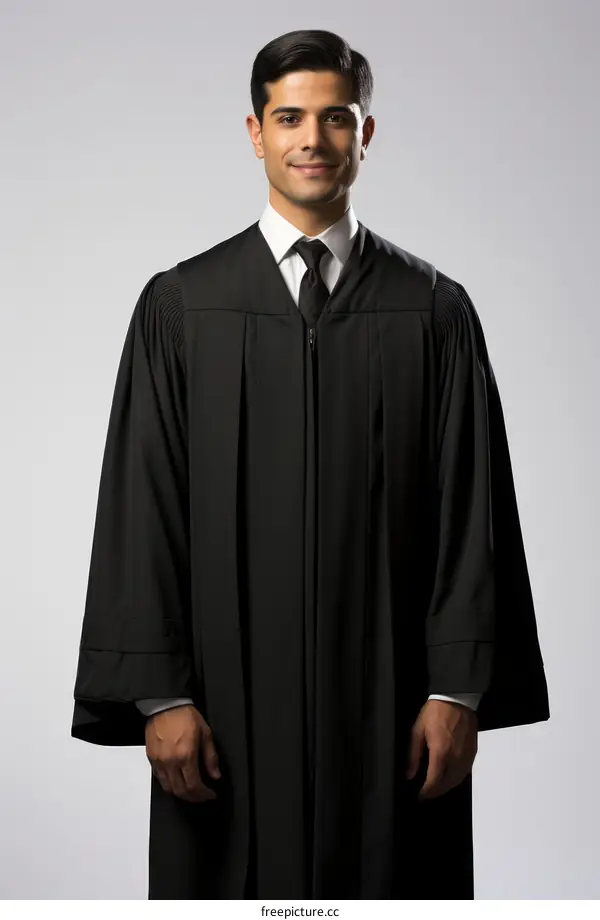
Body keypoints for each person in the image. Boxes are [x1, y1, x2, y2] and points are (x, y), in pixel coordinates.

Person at [71, 28, 550, 900]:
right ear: (254, 131)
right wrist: (158, 697)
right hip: (221, 710)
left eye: (336, 118)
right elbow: (143, 506)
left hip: (396, 712)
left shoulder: (434, 311)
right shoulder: (182, 307)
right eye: (289, 117)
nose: (312, 140)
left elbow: (471, 508)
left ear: (366, 134)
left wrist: (458, 691)